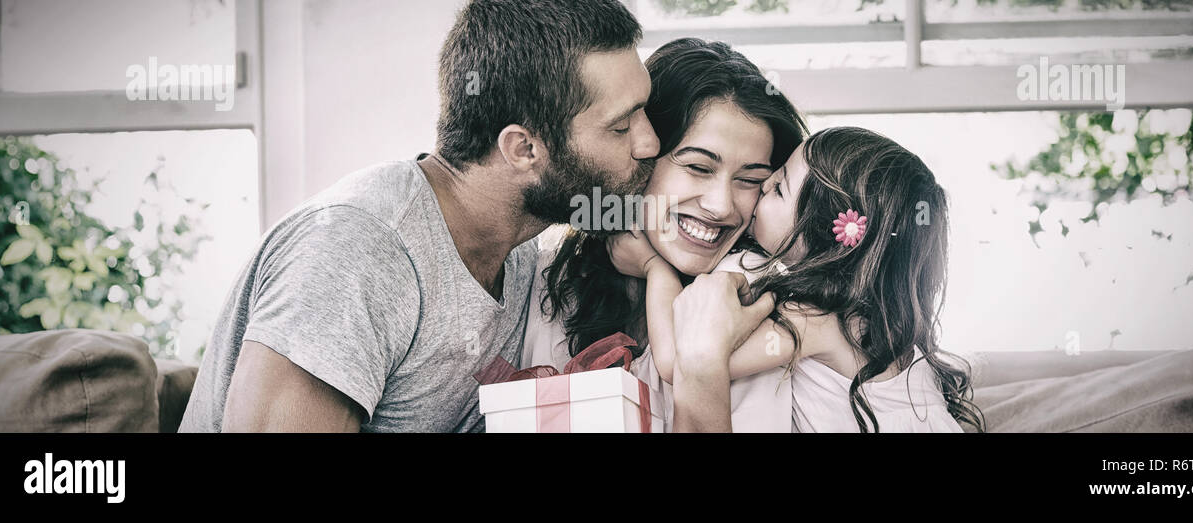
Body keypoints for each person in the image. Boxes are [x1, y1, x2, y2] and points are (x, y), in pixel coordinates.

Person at [179, 0, 661, 432]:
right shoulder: (356, 253)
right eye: (621, 126)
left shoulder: (516, 253)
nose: (650, 143)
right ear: (524, 148)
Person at [615, 127, 986, 432]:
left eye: (778, 188)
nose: (763, 184)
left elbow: (678, 362)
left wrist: (653, 267)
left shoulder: (818, 319)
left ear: (822, 241)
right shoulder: (874, 322)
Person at [523, 38, 807, 431]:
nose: (721, 206)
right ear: (640, 155)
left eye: (750, 179)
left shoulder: (753, 296)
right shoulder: (555, 279)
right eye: (698, 168)